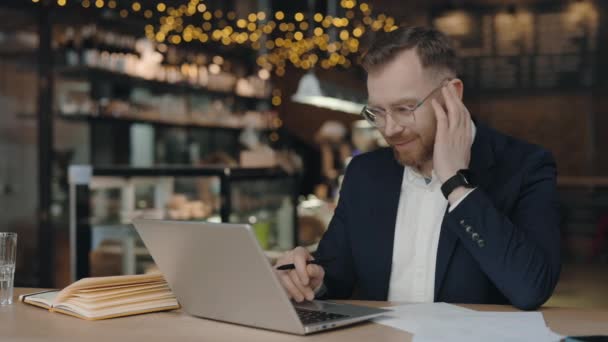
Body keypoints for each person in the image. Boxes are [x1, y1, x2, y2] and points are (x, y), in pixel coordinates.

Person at [274, 26, 561, 310]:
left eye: (404, 108)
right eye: (378, 111)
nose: (390, 128)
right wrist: (314, 278)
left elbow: (531, 289)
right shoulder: (364, 173)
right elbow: (336, 271)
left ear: (452, 93)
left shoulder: (526, 166)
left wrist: (456, 185)